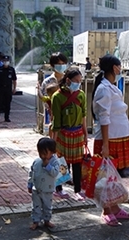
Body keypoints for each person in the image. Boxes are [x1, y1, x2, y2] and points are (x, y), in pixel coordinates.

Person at [92, 54, 129, 226]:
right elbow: (104, 117)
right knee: (105, 177)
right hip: (110, 139)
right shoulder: (103, 89)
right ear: (114, 68)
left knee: (114, 176)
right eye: (119, 66)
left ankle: (115, 207)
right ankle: (106, 210)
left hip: (120, 136)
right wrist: (106, 145)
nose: (121, 69)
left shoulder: (112, 87)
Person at [51, 68, 88, 201]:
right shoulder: (57, 97)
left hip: (77, 133)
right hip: (63, 134)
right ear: (68, 80)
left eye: (80, 81)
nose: (78, 84)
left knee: (77, 163)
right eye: (76, 81)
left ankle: (77, 190)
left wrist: (85, 134)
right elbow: (56, 122)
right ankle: (59, 189)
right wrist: (53, 142)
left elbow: (84, 116)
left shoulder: (81, 95)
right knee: (62, 163)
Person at [27, 137, 60, 230]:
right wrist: (29, 184)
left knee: (47, 206)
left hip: (48, 190)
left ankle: (47, 220)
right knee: (36, 206)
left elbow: (55, 173)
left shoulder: (54, 162)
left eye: (45, 153)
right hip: (36, 189)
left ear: (52, 152)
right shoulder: (36, 161)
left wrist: (48, 166)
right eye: (40, 153)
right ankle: (35, 221)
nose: (42, 156)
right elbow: (31, 172)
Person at [37, 52, 69, 140]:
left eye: (63, 63)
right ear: (53, 65)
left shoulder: (69, 80)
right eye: (59, 64)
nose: (61, 66)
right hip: (53, 114)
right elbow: (44, 98)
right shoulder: (48, 81)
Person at [0, 55, 17, 123]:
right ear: (2, 61)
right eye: (4, 61)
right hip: (0, 88)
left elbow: (14, 80)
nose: (6, 62)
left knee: (7, 103)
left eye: (7, 61)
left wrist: (14, 88)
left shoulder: (11, 70)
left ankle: (7, 117)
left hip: (8, 88)